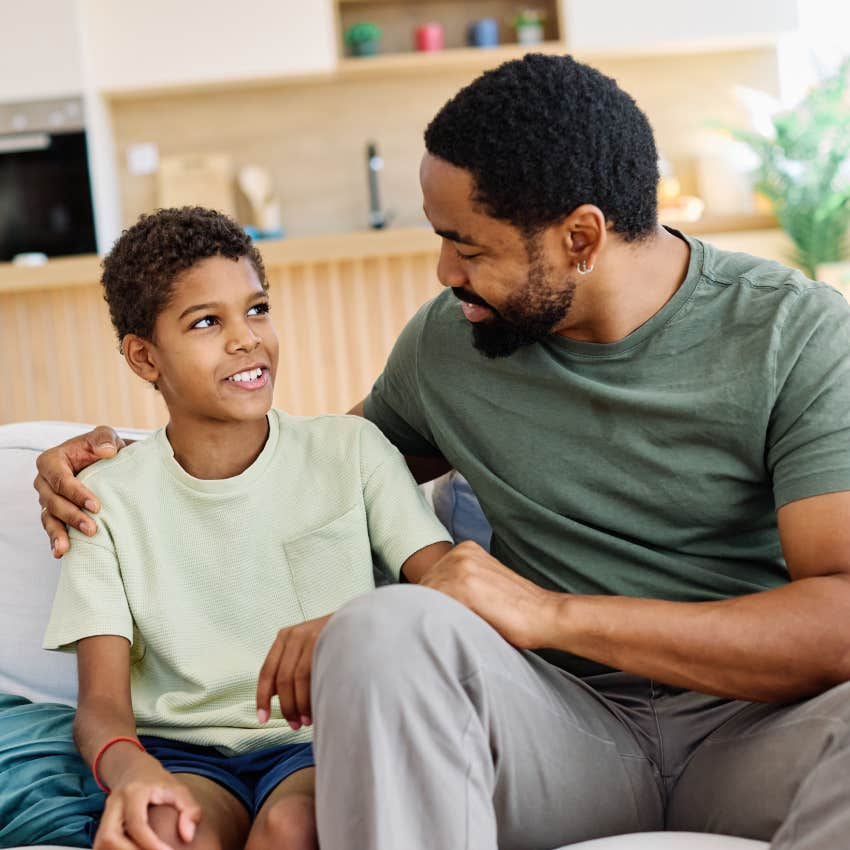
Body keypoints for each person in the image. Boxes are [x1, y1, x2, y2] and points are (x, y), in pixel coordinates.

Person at [35, 55, 850, 850]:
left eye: (469, 247)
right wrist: (102, 465)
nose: (444, 271)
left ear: (580, 237)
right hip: (556, 734)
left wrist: (548, 612)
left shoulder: (795, 335)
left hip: (760, 731)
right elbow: (298, 466)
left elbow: (839, 620)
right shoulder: (453, 341)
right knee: (383, 630)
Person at [40, 207, 451, 850]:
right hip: (182, 754)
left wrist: (355, 627)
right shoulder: (103, 501)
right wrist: (133, 773)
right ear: (144, 357)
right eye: (207, 322)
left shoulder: (352, 451)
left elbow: (451, 590)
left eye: (257, 309)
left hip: (326, 740)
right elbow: (100, 707)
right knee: (167, 830)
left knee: (292, 826)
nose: (245, 339)